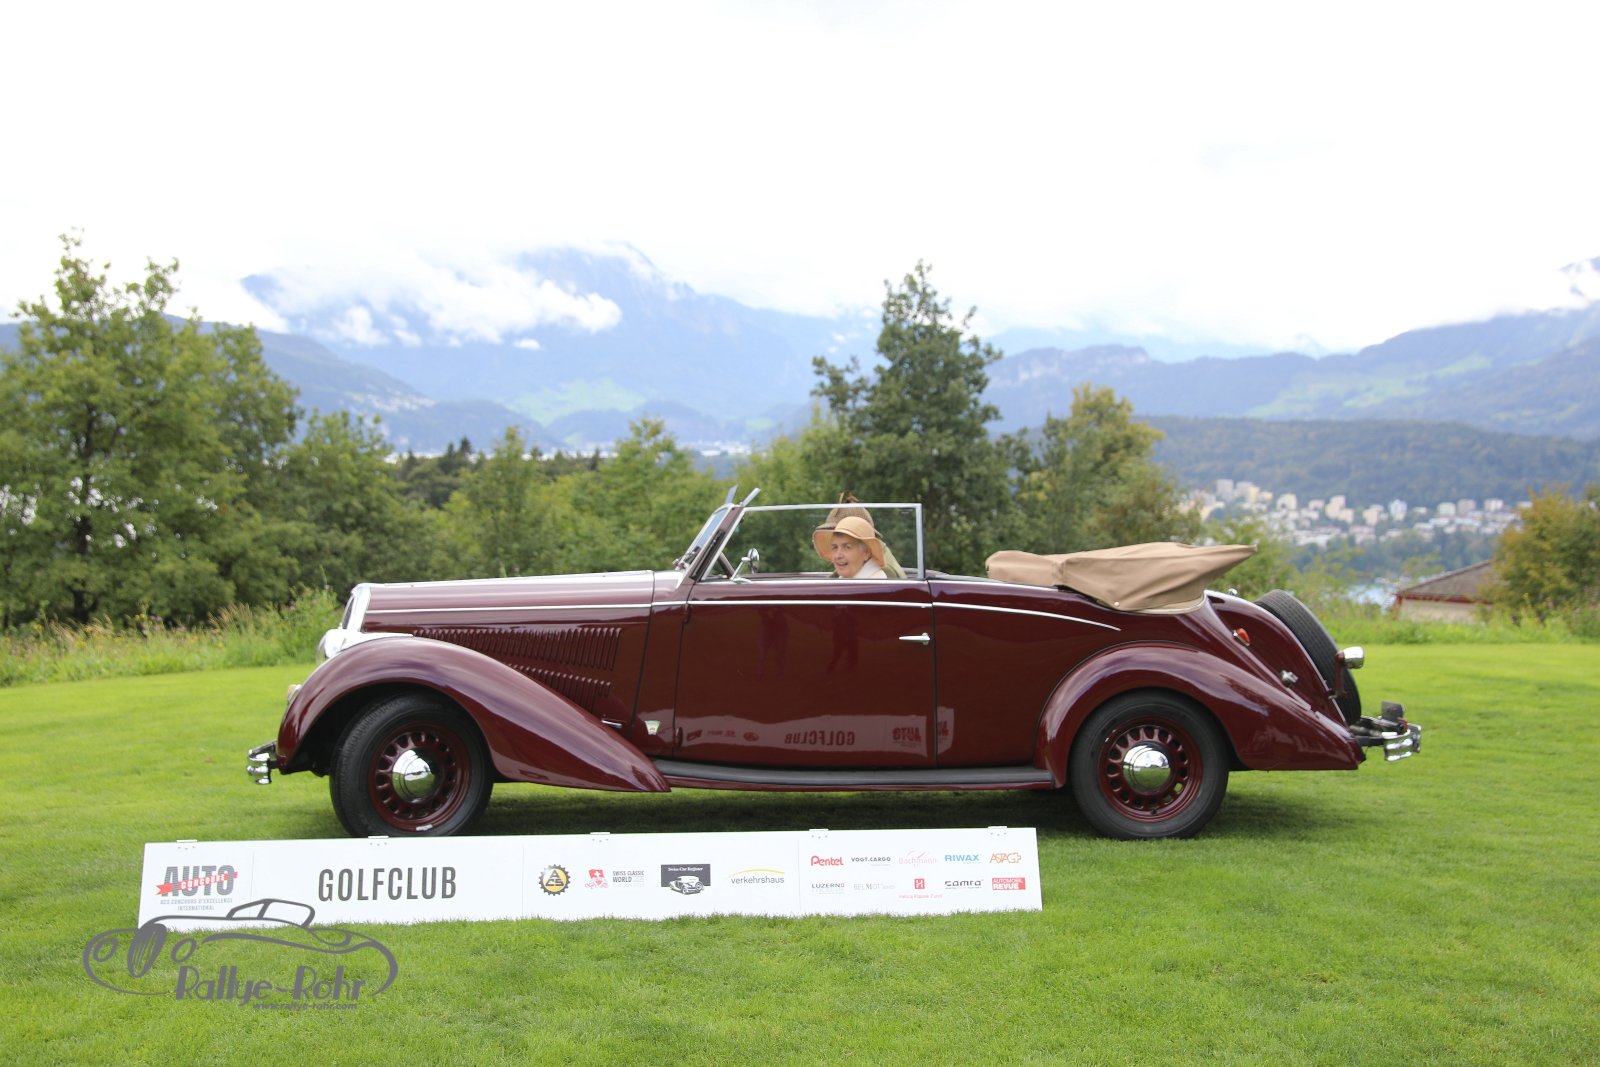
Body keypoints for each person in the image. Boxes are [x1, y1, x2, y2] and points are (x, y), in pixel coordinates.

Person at [814, 514, 890, 579]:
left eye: (847, 547)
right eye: (835, 547)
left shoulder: (874, 585)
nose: (838, 555)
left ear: (866, 553)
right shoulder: (848, 580)